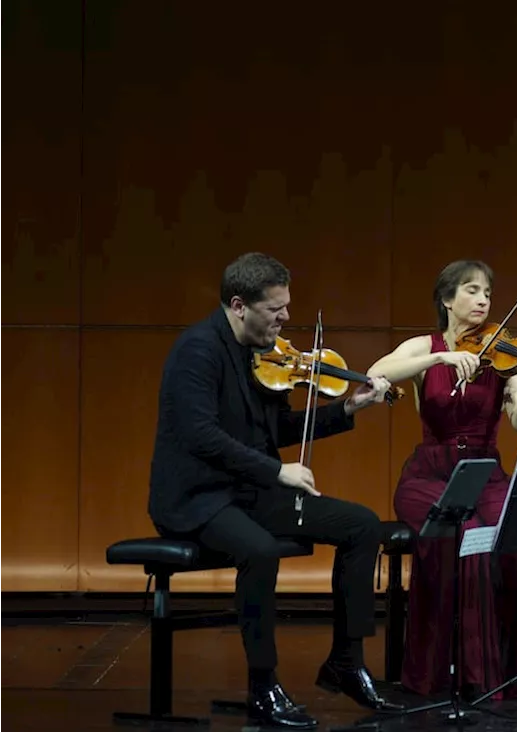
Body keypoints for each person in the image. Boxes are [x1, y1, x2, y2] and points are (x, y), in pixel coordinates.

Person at [147, 252, 403, 730]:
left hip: (248, 494)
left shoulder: (266, 355)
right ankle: (262, 684)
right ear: (239, 304)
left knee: (362, 525)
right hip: (197, 499)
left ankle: (346, 662)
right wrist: (276, 471)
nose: (286, 318)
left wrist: (348, 409)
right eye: (276, 308)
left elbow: (281, 427)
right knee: (261, 552)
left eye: (287, 306)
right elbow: (201, 436)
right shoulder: (197, 352)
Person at [367, 259, 517, 700]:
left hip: (485, 472)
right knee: (467, 535)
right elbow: (375, 374)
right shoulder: (425, 347)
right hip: (429, 475)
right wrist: (441, 356)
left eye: (487, 293)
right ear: (447, 299)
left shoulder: (501, 355)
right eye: (472, 290)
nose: (484, 300)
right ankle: (464, 674)